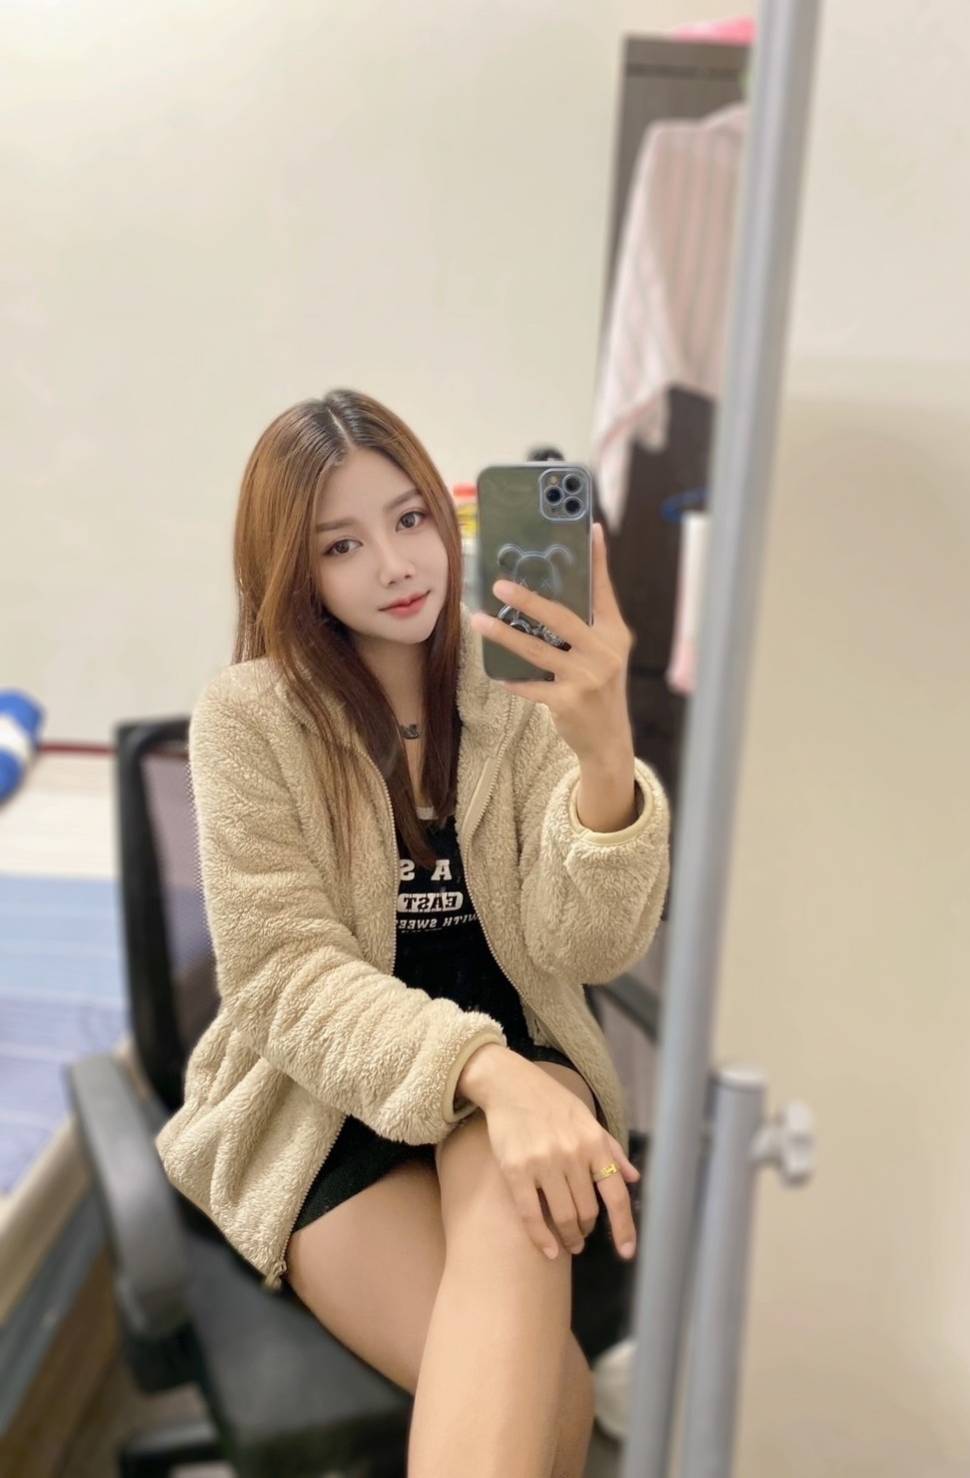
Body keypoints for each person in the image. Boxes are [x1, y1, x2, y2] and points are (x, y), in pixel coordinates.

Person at [155, 389, 671, 1477]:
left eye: (410, 518)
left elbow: (584, 948)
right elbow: (282, 976)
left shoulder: (522, 692)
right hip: (326, 1101)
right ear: (295, 571)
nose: (395, 565)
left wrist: (604, 756)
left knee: (536, 1393)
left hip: (517, 1078)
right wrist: (485, 1067)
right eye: (341, 544)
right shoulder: (250, 718)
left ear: (448, 516)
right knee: (557, 1401)